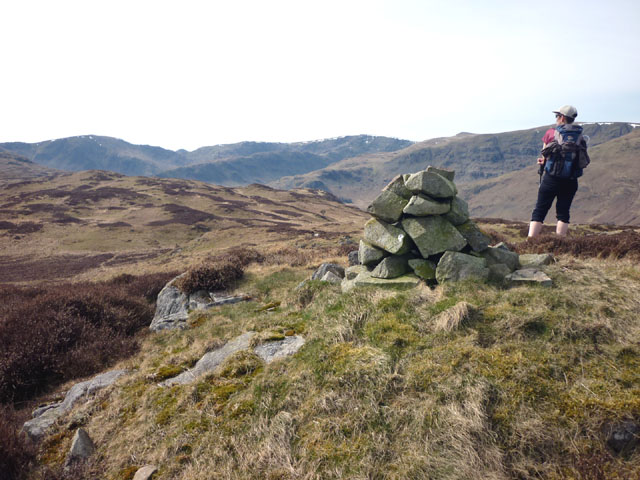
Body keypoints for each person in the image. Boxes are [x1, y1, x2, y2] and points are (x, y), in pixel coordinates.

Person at [528, 105, 585, 237]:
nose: (556, 119)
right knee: (563, 213)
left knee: (540, 211)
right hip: (571, 180)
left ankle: (530, 243)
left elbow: (544, 155)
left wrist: (543, 162)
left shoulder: (551, 133)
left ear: (562, 118)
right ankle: (560, 244)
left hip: (551, 179)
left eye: (557, 116)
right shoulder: (579, 135)